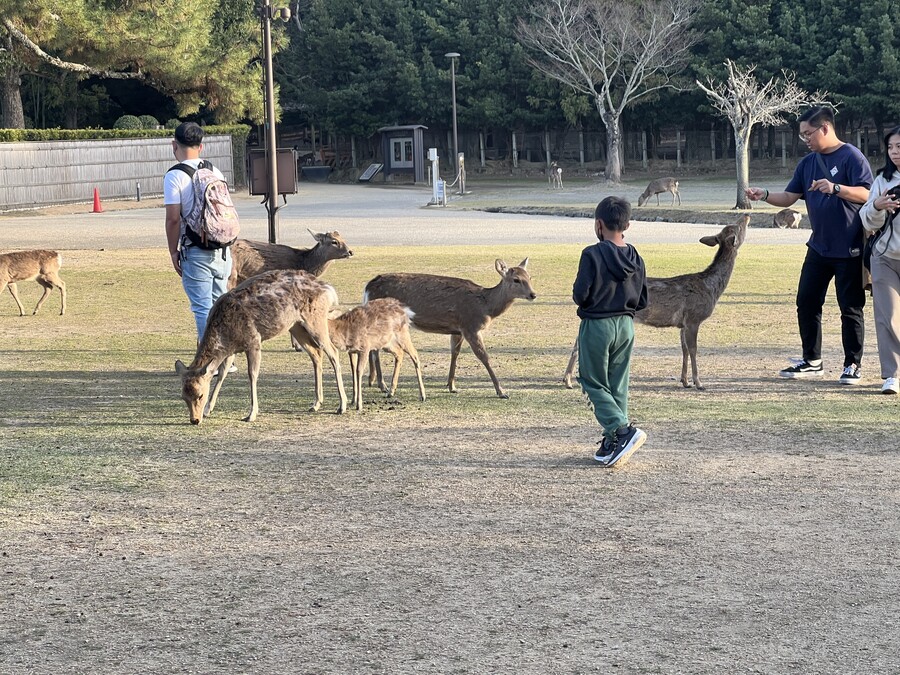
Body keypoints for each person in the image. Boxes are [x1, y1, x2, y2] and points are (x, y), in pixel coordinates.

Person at [746, 106, 872, 384]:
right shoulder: (807, 163)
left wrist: (836, 188)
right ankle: (812, 360)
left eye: (808, 134)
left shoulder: (852, 157)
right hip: (818, 247)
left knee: (850, 307)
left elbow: (867, 194)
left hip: (849, 247)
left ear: (825, 128)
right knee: (806, 300)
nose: (805, 139)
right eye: (802, 135)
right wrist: (764, 194)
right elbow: (790, 197)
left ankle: (852, 364)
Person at [573, 196, 649, 467]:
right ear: (627, 225)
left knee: (592, 381)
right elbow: (643, 300)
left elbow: (580, 295)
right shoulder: (636, 257)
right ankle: (613, 440)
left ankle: (622, 429)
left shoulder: (591, 254)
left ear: (598, 225)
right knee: (618, 384)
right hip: (627, 326)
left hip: (597, 325)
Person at [164, 122, 234, 350]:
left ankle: (211, 360)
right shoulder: (215, 171)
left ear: (174, 145)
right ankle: (226, 359)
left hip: (195, 251)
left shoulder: (175, 176)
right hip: (223, 250)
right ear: (201, 146)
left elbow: (173, 219)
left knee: (203, 308)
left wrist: (173, 251)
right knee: (220, 305)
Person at [859, 125, 900, 394]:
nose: (895, 153)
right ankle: (892, 374)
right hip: (885, 257)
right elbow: (866, 219)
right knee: (888, 315)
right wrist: (877, 206)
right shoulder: (882, 181)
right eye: (891, 147)